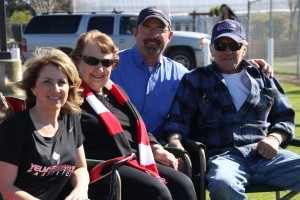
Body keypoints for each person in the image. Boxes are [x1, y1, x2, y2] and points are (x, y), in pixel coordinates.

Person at [163, 19, 300, 200]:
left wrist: (274, 138)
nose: (227, 51)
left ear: (244, 48)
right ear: (212, 50)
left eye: (234, 45)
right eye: (220, 45)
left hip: (268, 157)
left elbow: (285, 117)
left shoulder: (263, 76)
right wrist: (175, 142)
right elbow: (177, 121)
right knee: (223, 184)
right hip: (224, 158)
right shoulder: (195, 79)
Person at [111, 6, 272, 142]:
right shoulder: (110, 67)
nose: (153, 35)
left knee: (184, 180)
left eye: (160, 29)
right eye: (146, 28)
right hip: (117, 148)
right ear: (135, 33)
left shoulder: (182, 74)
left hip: (160, 154)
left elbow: (219, 74)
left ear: (170, 36)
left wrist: (246, 66)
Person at [71, 30, 197, 200]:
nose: (99, 69)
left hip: (134, 159)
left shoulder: (115, 93)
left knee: (183, 184)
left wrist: (155, 147)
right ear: (78, 60)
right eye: (92, 61)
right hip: (103, 168)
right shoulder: (71, 98)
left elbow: (138, 127)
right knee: (157, 192)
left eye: (107, 62)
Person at [0, 47, 90, 200]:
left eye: (62, 82)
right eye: (47, 82)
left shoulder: (71, 118)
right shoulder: (14, 128)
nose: (55, 89)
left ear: (69, 87)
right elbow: (5, 187)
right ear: (33, 88)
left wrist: (81, 189)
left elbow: (80, 167)